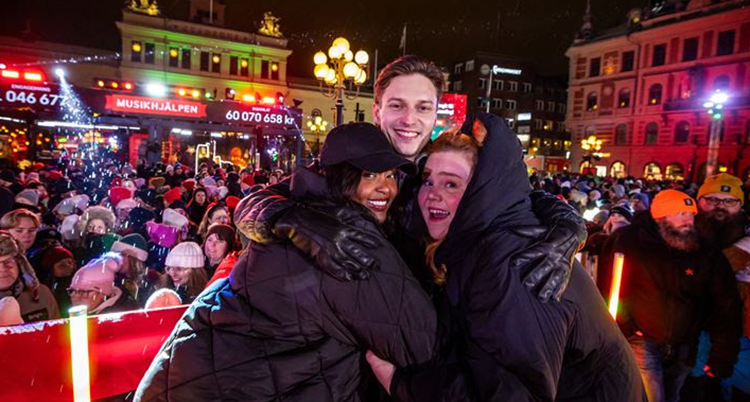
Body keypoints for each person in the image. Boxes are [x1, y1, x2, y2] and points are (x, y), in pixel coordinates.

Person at [240, 55, 586, 301]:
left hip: (434, 311)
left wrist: (569, 230)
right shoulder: (346, 163)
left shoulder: (440, 163)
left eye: (422, 107)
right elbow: (254, 204)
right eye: (397, 105)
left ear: (436, 112)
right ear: (377, 110)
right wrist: (297, 221)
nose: (409, 119)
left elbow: (518, 195)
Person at [135, 123, 437, 402]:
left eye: (391, 175)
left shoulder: (298, 208)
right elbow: (421, 344)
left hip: (186, 376)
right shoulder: (351, 241)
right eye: (369, 175)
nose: (387, 188)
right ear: (338, 177)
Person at [366, 113, 645, 401]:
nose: (432, 194)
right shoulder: (475, 242)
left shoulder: (514, 263)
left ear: (481, 192)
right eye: (428, 181)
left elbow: (513, 394)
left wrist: (403, 386)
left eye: (451, 184)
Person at [599, 189, 741, 402]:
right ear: (661, 216)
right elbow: (610, 285)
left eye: (691, 214)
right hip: (641, 339)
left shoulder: (704, 250)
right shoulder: (631, 241)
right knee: (651, 396)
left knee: (673, 394)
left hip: (684, 343)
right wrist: (624, 326)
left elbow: (725, 302)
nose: (688, 220)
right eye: (680, 213)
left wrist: (723, 353)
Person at [0, 232, 59, 322]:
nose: (3, 269)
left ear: (19, 264)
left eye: (9, 262)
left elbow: (57, 332)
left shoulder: (41, 294)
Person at [68, 253, 139, 315]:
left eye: (84, 292)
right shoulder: (81, 315)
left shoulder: (122, 316)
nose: (76, 297)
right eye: (72, 291)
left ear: (104, 293)